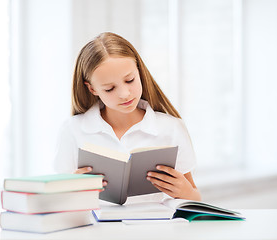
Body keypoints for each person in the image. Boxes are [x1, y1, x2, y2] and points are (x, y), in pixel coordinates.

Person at [55, 32, 201, 201]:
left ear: (139, 72)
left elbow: (194, 200)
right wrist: (72, 191)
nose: (124, 94)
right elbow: (60, 203)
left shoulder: (171, 128)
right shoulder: (72, 130)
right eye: (109, 89)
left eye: (130, 80)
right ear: (92, 89)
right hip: (96, 226)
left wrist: (186, 193)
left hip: (155, 226)